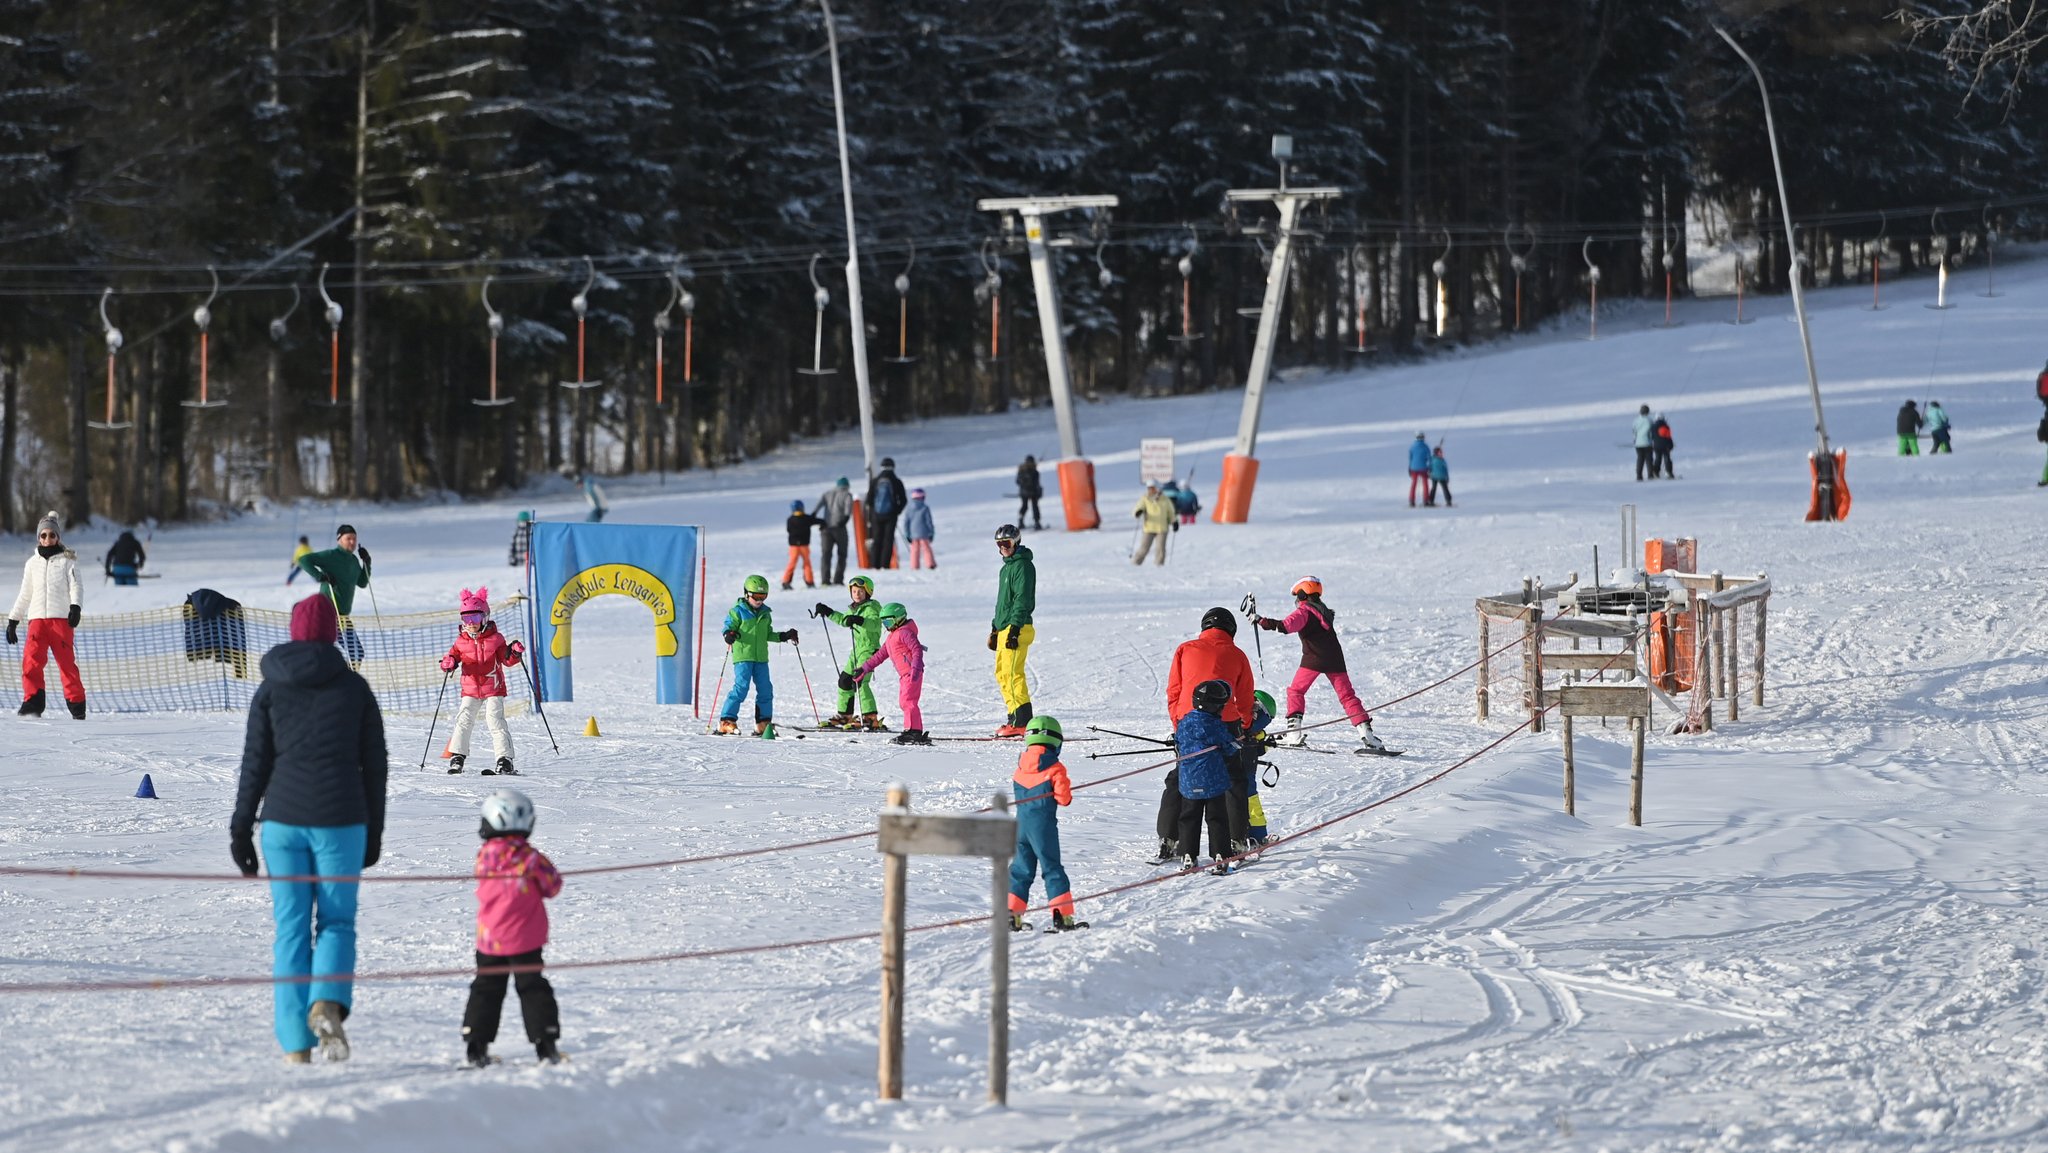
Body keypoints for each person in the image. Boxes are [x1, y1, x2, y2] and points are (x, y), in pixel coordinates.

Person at [230, 594, 388, 1064]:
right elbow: (375, 766)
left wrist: (241, 828)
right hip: (341, 822)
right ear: (334, 634)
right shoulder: (354, 688)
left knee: (291, 930)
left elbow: (254, 762)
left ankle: (295, 1046)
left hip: (282, 823)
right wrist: (374, 832)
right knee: (337, 921)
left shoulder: (270, 687)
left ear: (294, 631)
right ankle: (326, 1001)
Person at [463, 788, 566, 1067]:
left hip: (491, 938)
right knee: (532, 987)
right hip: (525, 939)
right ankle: (546, 1044)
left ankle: (476, 1045)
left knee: (486, 987)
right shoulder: (531, 859)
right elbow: (553, 886)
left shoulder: (484, 856)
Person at [1159, 607, 1256, 861]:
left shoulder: (1185, 649)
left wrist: (1179, 725)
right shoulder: (1238, 654)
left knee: (1181, 777)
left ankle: (1168, 840)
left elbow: (1174, 691)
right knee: (1234, 779)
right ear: (1231, 630)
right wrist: (1245, 726)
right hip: (1226, 724)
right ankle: (1237, 840)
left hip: (1189, 724)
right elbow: (1245, 697)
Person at [1253, 576, 1387, 751]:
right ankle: (1367, 735)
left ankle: (1294, 734)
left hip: (1314, 658)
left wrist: (1261, 621)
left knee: (1296, 691)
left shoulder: (1305, 611)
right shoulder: (1322, 611)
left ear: (1303, 594)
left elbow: (1286, 626)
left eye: (1297, 596)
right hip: (1335, 658)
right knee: (1347, 696)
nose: (1296, 600)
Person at [1006, 715, 1086, 931]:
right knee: (1052, 869)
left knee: (1020, 870)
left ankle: (1011, 915)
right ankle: (1063, 918)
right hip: (1042, 828)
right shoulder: (1055, 768)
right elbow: (1064, 799)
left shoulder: (1020, 768)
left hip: (1020, 826)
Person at [438, 588, 525, 775]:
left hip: (493, 688)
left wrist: (515, 653)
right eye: (466, 619)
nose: (470, 624)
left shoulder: (496, 639)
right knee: (464, 719)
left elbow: (506, 660)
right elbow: (451, 658)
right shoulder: (460, 641)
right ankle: (457, 757)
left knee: (494, 719)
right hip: (470, 689)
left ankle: (504, 759)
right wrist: (448, 663)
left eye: (475, 619)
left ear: (484, 618)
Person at [8, 510, 85, 718]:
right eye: (43, 535)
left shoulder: (68, 560)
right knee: (31, 660)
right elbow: (25, 593)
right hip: (37, 621)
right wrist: (13, 620)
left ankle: (77, 705)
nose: (48, 539)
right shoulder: (32, 564)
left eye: (52, 535)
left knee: (66, 664)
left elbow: (76, 587)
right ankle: (33, 701)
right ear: (38, 538)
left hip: (60, 620)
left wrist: (75, 607)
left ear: (58, 537)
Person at [1173, 679, 1240, 875]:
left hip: (1188, 782)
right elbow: (1230, 748)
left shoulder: (1184, 722)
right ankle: (1220, 855)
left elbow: (1178, 742)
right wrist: (1238, 744)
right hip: (1213, 783)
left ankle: (1188, 855)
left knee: (1189, 817)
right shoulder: (1215, 725)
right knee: (1217, 817)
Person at [720, 575, 797, 738]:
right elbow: (728, 626)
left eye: (763, 596)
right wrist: (728, 634)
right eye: (756, 596)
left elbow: (767, 634)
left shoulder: (765, 613)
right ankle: (726, 721)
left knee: (766, 690)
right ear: (746, 594)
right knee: (741, 688)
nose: (759, 600)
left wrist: (784, 636)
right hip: (743, 656)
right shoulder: (737, 611)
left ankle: (763, 723)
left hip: (761, 658)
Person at [845, 602, 929, 745]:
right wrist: (864, 668)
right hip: (904, 675)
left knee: (908, 701)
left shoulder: (905, 632)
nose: (886, 625)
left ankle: (913, 732)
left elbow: (916, 649)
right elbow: (880, 655)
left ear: (899, 618)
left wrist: (916, 666)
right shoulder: (892, 637)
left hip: (912, 672)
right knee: (905, 702)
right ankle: (912, 729)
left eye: (888, 621)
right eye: (884, 622)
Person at [816, 575, 885, 730]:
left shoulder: (873, 607)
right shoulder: (853, 608)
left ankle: (870, 718)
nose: (857, 594)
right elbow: (844, 620)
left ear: (868, 592)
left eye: (860, 591)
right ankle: (844, 715)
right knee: (845, 681)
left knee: (860, 681)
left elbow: (875, 624)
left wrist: (859, 620)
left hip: (869, 649)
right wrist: (828, 612)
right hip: (857, 650)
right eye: (854, 591)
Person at [296, 524, 372, 665]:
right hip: (328, 611)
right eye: (348, 538)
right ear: (339, 539)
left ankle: (344, 682)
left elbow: (362, 582)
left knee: (356, 653)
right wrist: (320, 576)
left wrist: (367, 562)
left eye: (354, 539)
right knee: (350, 652)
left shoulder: (354, 561)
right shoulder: (331, 556)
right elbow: (304, 560)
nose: (352, 542)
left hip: (342, 614)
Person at [989, 524, 1036, 736]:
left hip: (1017, 625)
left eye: (1006, 543)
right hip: (1005, 626)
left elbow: (1022, 600)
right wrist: (995, 626)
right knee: (1001, 673)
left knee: (1012, 673)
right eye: (999, 544)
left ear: (1015, 542)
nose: (1003, 548)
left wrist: (1015, 628)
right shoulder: (1006, 568)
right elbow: (1003, 602)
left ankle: (1023, 720)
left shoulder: (1023, 566)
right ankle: (1013, 716)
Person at [864, 457, 908, 568]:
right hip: (890, 515)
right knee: (888, 540)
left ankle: (875, 565)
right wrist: (896, 511)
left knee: (877, 539)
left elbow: (869, 500)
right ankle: (885, 565)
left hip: (876, 515)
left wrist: (874, 511)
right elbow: (903, 500)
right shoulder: (896, 481)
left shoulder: (875, 481)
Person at [813, 478, 854, 586]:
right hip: (839, 528)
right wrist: (843, 521)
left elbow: (817, 507)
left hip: (826, 529)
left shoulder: (827, 494)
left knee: (826, 554)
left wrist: (815, 517)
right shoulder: (847, 495)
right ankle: (838, 579)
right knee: (842, 554)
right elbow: (848, 511)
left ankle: (825, 580)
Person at [1131, 482, 1175, 565]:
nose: (1150, 490)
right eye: (1149, 488)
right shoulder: (1145, 498)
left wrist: (1174, 522)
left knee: (1160, 550)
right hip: (1149, 528)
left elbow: (1171, 513)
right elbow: (1138, 507)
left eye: (1152, 488)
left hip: (1162, 528)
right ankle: (1135, 564)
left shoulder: (1165, 499)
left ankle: (1159, 566)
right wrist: (1138, 512)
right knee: (1144, 549)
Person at [781, 500, 821, 590]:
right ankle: (809, 581)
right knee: (807, 563)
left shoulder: (790, 519)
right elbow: (819, 521)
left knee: (792, 563)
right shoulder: (806, 518)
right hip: (804, 545)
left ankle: (786, 582)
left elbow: (789, 530)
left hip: (794, 546)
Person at [901, 488, 936, 570]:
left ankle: (914, 565)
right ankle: (930, 563)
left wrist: (907, 533)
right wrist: (931, 532)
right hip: (924, 533)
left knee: (914, 550)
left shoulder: (909, 509)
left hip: (913, 533)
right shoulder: (925, 508)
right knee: (926, 548)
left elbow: (906, 522)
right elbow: (929, 522)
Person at [1015, 455, 1044, 530]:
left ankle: (1035, 522)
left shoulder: (1031, 471)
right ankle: (1023, 521)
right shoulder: (1030, 471)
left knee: (1032, 507)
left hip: (1029, 493)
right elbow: (1019, 481)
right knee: (1027, 506)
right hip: (1028, 493)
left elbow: (1036, 483)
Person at [1408, 432, 1432, 506]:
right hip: (1423, 468)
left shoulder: (1412, 446)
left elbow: (1410, 458)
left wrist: (1409, 467)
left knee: (1414, 484)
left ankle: (1412, 500)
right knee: (1425, 484)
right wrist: (1430, 468)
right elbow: (1429, 459)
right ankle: (1426, 500)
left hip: (1413, 468)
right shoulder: (1426, 446)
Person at [1632, 405, 1655, 481]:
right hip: (1647, 443)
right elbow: (1652, 433)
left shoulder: (1636, 420)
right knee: (1649, 460)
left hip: (1638, 444)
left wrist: (1635, 440)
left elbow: (1634, 431)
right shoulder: (1650, 420)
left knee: (1640, 459)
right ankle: (1650, 475)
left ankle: (1639, 476)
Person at [1652, 415, 1675, 479]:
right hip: (1666, 446)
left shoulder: (1653, 427)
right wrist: (1671, 445)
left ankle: (1655, 472)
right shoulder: (1666, 426)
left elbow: (1652, 437)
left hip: (1656, 446)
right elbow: (1668, 437)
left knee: (1658, 459)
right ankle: (1669, 472)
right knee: (1667, 459)